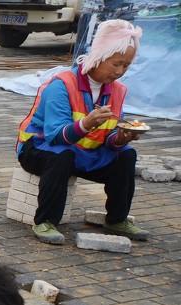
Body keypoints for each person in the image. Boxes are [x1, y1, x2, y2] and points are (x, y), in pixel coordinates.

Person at [17, 19, 147, 245]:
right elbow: (55, 136)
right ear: (99, 56)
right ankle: (45, 221)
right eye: (116, 63)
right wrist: (86, 124)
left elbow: (107, 139)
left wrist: (120, 138)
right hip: (38, 147)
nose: (120, 71)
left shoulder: (117, 90)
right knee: (62, 154)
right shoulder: (62, 84)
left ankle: (117, 219)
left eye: (126, 65)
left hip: (82, 151)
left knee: (126, 154)